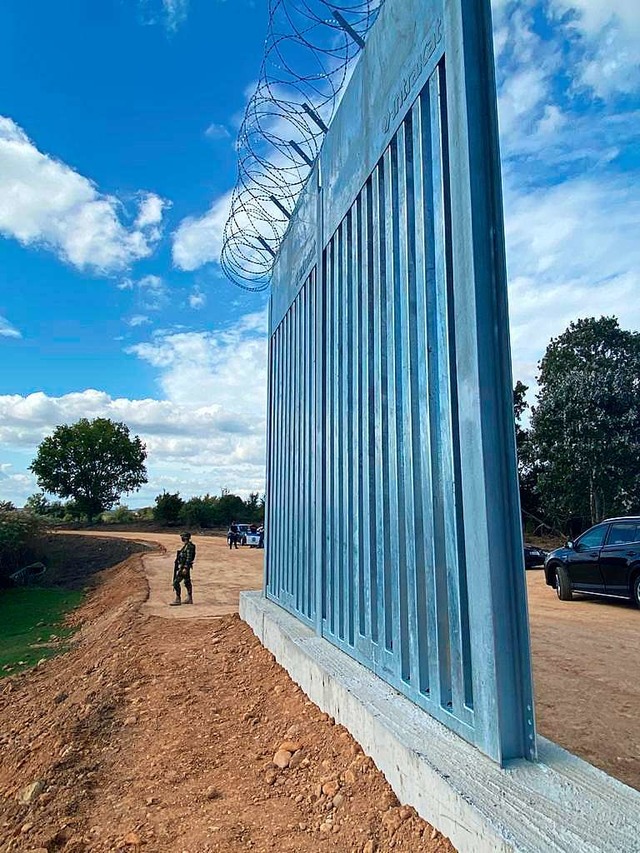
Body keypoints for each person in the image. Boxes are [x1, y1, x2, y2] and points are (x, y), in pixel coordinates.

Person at [170, 531, 196, 606]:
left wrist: (185, 568)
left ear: (185, 538)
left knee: (176, 582)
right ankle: (189, 598)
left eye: (182, 537)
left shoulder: (189, 547)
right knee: (187, 581)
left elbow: (188, 558)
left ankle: (178, 599)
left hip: (184, 567)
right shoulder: (186, 546)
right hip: (183, 566)